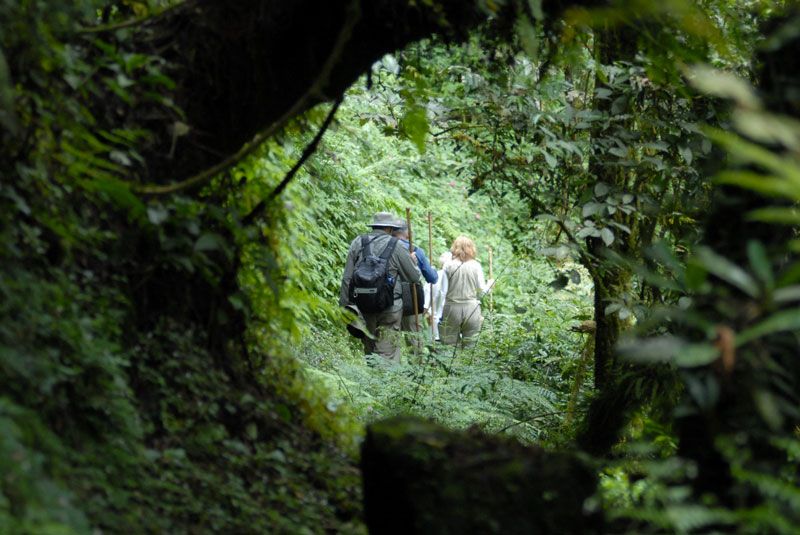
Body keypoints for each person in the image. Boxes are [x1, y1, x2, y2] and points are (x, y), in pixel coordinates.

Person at [340, 212, 422, 363]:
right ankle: (384, 383)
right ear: (390, 229)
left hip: (364, 305)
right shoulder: (397, 246)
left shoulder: (358, 242)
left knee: (370, 350)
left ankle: (372, 383)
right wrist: (413, 263)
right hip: (391, 307)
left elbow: (347, 278)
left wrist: (346, 305)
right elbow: (414, 278)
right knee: (386, 352)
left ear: (374, 226)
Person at [440, 236, 493, 348]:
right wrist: (490, 284)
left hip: (451, 308)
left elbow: (442, 291)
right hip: (472, 309)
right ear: (471, 249)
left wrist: (439, 312)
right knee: (470, 346)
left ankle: (452, 365)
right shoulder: (476, 266)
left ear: (455, 248)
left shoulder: (448, 265)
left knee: (449, 346)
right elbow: (482, 292)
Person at [392, 221, 438, 351]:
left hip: (388, 298)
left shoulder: (384, 247)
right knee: (414, 338)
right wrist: (433, 270)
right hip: (410, 299)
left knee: (388, 339)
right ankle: (416, 367)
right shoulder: (415, 250)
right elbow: (432, 278)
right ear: (406, 232)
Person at [426, 251, 451, 342]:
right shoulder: (436, 276)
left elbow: (427, 298)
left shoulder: (435, 275)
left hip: (437, 317)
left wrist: (428, 311)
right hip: (441, 317)